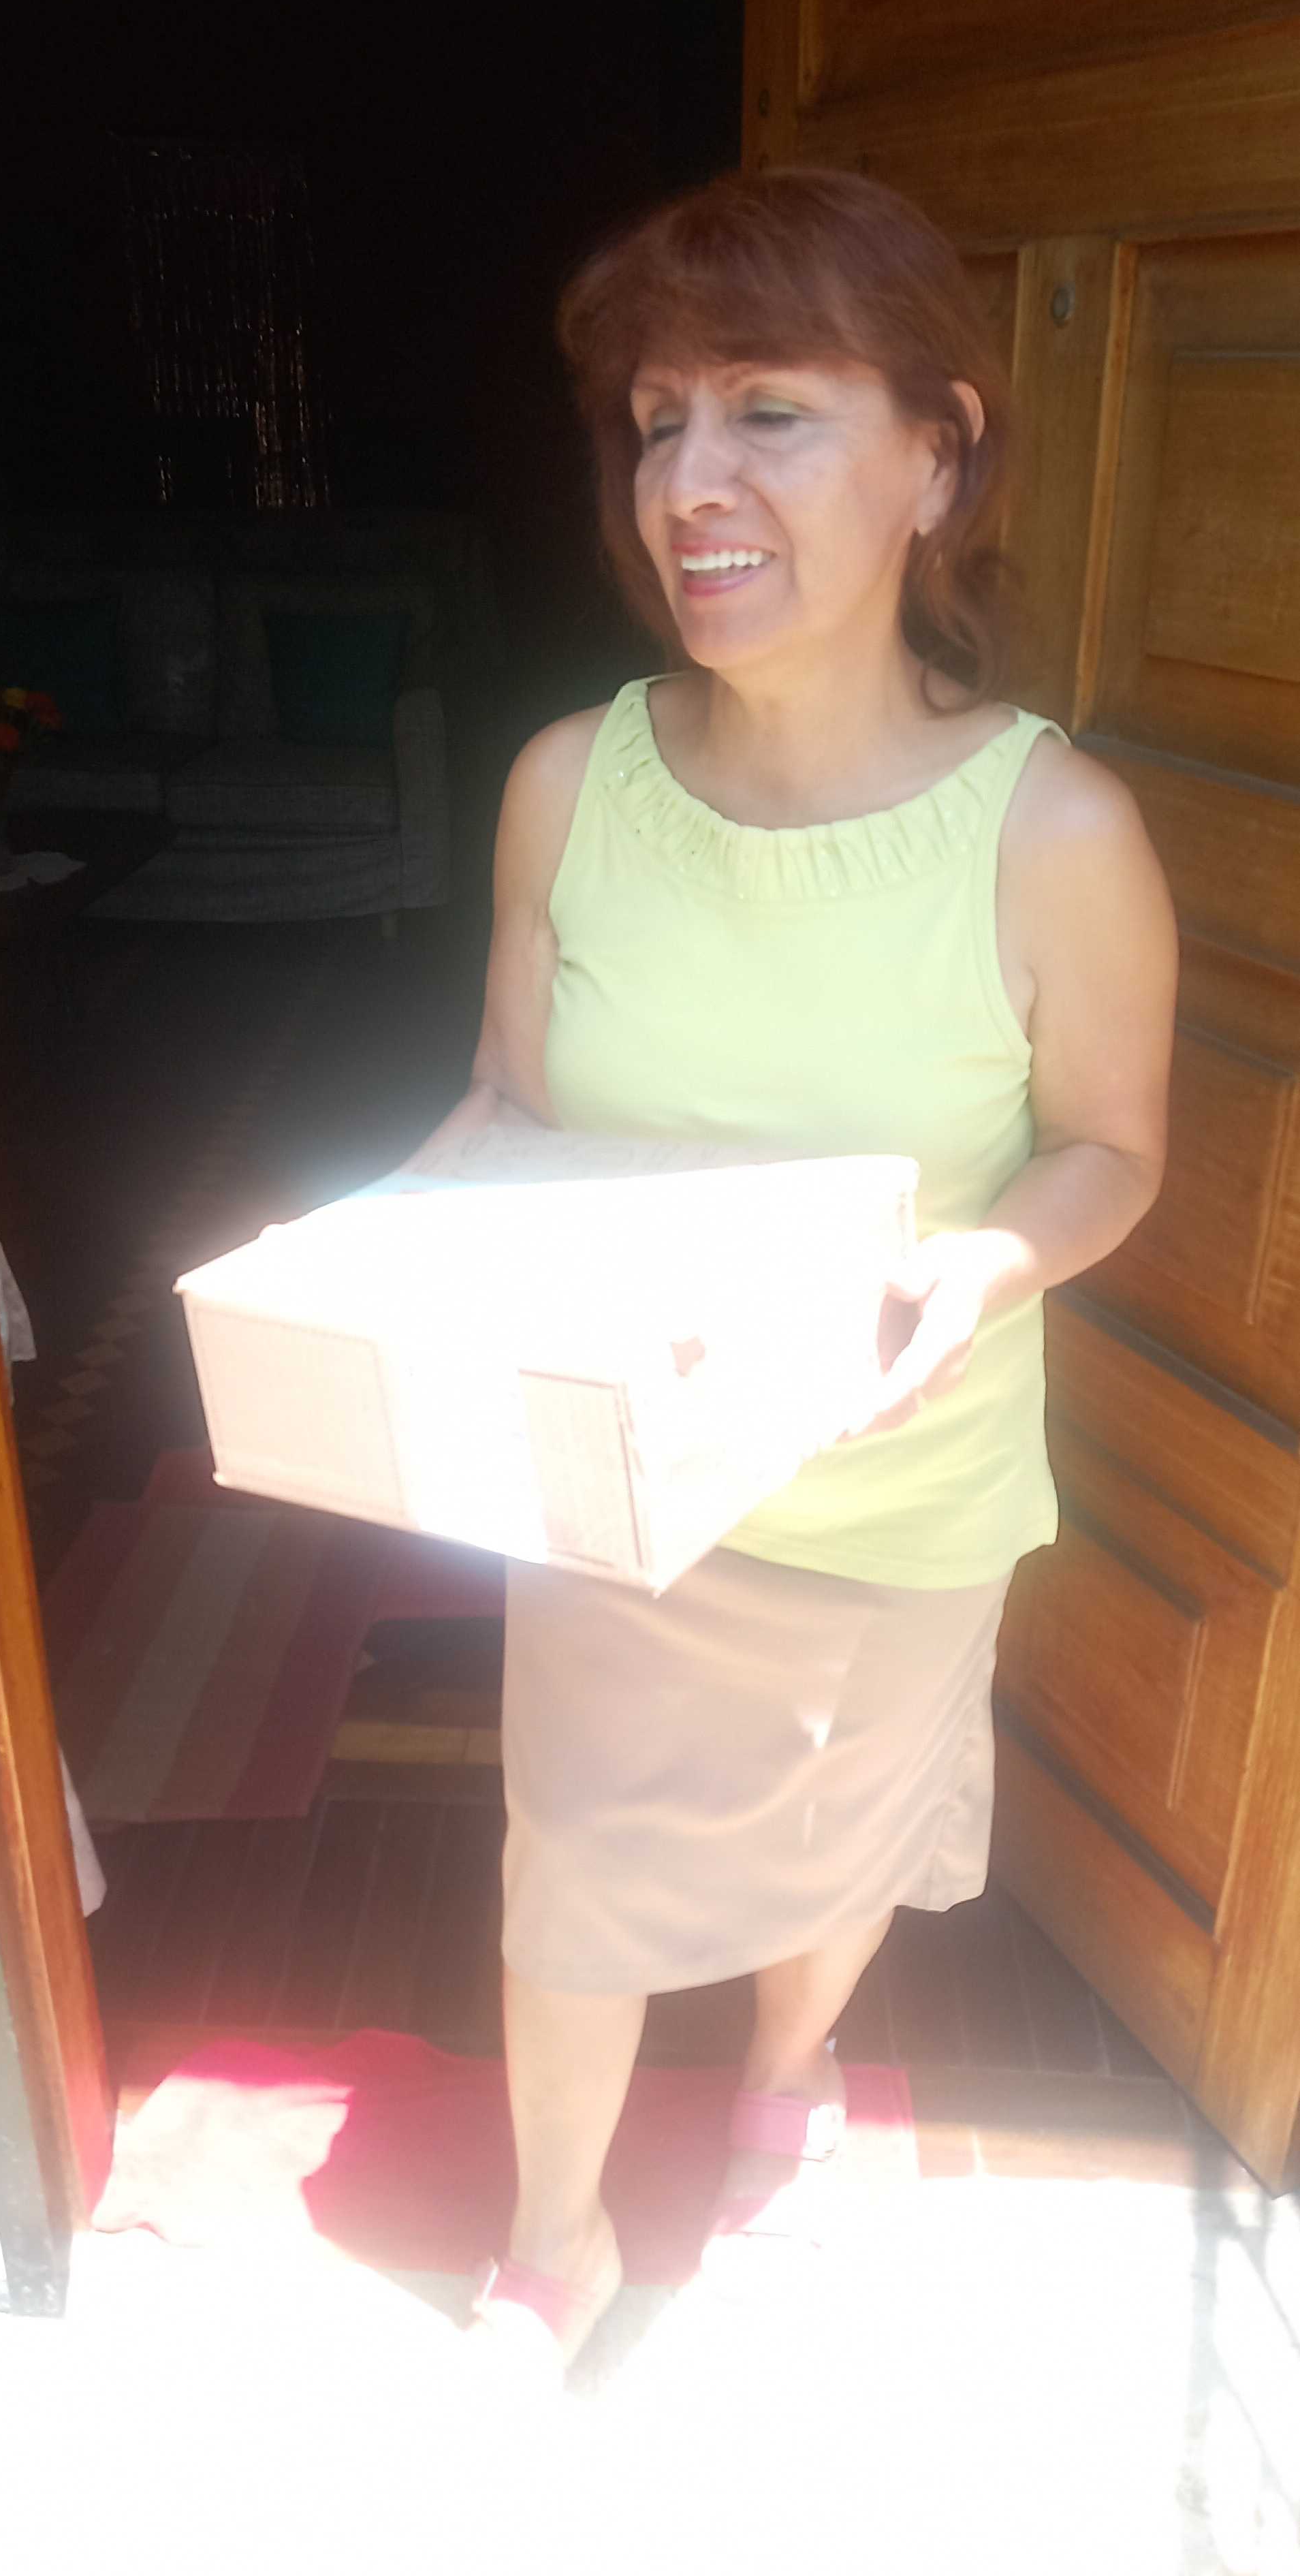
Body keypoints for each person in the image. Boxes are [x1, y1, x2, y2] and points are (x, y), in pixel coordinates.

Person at [422, 168, 1177, 2372]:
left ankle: (780, 2081)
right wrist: (388, 1240)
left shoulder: (1050, 831)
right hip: (619, 1484)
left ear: (937, 455)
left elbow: (1111, 1149)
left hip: (894, 1488)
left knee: (835, 1844)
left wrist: (983, 1267)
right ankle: (552, 2245)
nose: (688, 482)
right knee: (573, 1864)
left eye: (768, 410)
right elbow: (503, 1105)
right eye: (656, 421)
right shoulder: (568, 784)